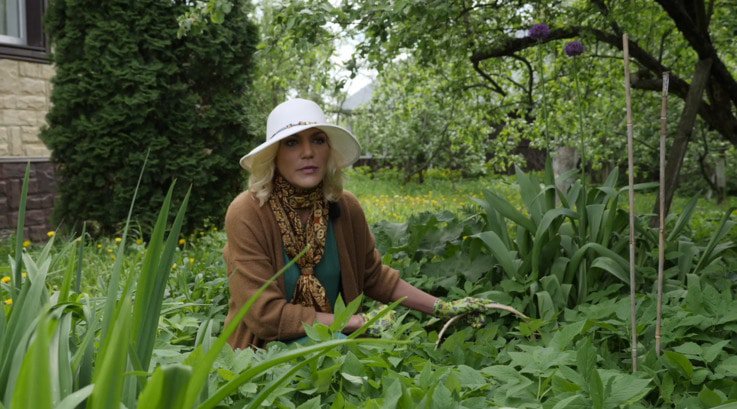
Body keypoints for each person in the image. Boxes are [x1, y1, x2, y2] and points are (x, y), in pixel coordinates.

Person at [224, 98, 501, 349]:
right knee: (347, 353)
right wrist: (358, 321)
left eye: (318, 140)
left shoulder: (344, 207)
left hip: (331, 338)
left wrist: (443, 307)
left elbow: (375, 277)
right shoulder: (248, 212)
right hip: (261, 352)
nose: (308, 152)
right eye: (292, 142)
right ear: (273, 154)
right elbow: (265, 315)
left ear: (329, 150)